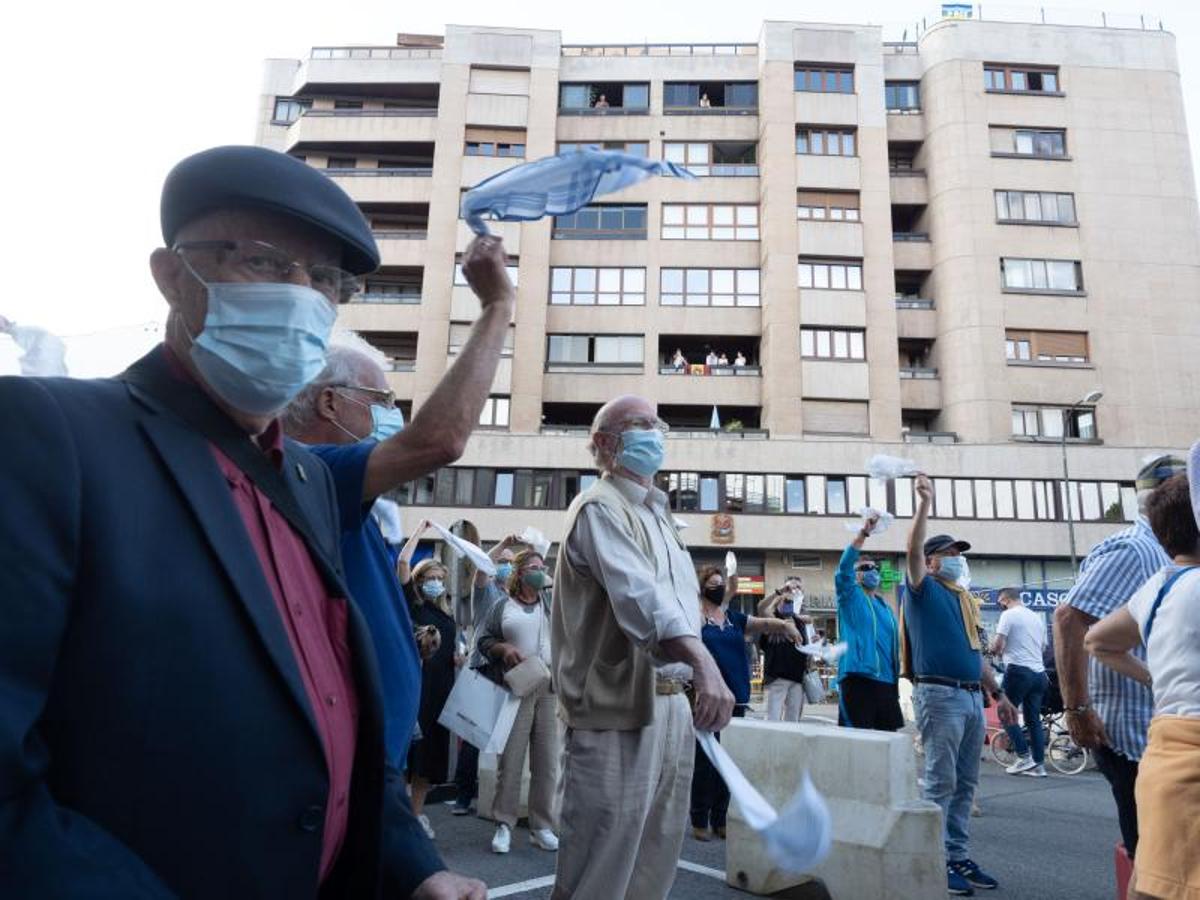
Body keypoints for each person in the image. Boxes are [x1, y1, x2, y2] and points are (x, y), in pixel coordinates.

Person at [0, 145, 483, 899]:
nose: (302, 296)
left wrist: (410, 862)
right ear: (171, 275)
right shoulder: (51, 434)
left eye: (324, 279)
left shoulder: (308, 480)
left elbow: (331, 708)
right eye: (263, 262)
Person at [282, 242, 514, 770]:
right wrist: (498, 306)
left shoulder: (350, 498)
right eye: (383, 402)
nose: (394, 416)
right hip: (343, 767)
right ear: (329, 402)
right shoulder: (312, 468)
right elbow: (440, 441)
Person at [550, 394, 734, 900]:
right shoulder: (598, 509)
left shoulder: (659, 514)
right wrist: (704, 664)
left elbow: (678, 606)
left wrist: (694, 676)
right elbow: (643, 600)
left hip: (670, 707)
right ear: (606, 444)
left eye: (659, 423)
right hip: (617, 711)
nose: (656, 433)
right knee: (602, 865)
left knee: (654, 860)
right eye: (641, 424)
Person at [1054, 454, 1186, 862]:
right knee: (1153, 853)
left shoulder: (1164, 553)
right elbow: (1069, 620)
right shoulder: (1136, 550)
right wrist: (1076, 708)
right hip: (1127, 730)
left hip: (1150, 724)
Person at [1086, 472, 1200, 900]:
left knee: (1151, 878)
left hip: (1163, 756)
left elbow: (1096, 640)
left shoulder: (1157, 587)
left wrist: (1156, 678)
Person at [904, 474, 1017, 897]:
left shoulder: (962, 600)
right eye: (949, 553)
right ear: (932, 561)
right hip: (939, 695)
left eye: (958, 553)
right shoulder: (923, 590)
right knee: (940, 781)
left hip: (969, 697)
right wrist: (924, 504)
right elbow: (912, 550)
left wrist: (998, 694)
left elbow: (975, 656)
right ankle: (932, 861)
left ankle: (956, 855)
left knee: (967, 783)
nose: (957, 558)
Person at [691, 565, 800, 840]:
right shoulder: (694, 619)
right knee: (706, 763)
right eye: (713, 584)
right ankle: (699, 818)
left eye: (721, 583)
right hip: (707, 698)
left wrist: (786, 625)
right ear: (703, 588)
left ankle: (721, 817)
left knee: (730, 761)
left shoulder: (733, 619)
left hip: (737, 698)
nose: (718, 587)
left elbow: (763, 623)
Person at [473, 549, 561, 854]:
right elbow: (483, 641)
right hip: (516, 687)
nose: (541, 571)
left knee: (547, 762)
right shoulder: (502, 606)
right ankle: (504, 824)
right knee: (510, 761)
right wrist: (503, 649)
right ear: (520, 574)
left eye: (543, 567)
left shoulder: (551, 604)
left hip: (549, 687)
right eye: (533, 567)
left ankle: (542, 826)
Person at [452, 534, 527, 815]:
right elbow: (482, 567)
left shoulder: (515, 597)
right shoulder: (485, 591)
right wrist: (504, 544)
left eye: (511, 562)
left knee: (506, 735)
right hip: (483, 666)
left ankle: (495, 795)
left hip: (509, 670)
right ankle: (463, 795)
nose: (506, 566)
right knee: (474, 733)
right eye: (502, 562)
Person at [398, 527, 460, 840]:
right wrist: (421, 531)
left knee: (430, 759)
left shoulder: (445, 613)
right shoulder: (414, 605)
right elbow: (403, 564)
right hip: (417, 688)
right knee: (410, 754)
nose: (436, 582)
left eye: (440, 577)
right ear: (422, 581)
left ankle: (417, 815)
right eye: (430, 577)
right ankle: (398, 816)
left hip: (442, 691)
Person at [835, 516, 904, 731]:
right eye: (864, 567)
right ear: (855, 576)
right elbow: (844, 567)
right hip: (858, 680)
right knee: (860, 745)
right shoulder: (850, 596)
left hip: (887, 683)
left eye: (874, 567)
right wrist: (863, 534)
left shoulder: (885, 607)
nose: (872, 570)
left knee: (887, 742)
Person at [990, 588, 1050, 777]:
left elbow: (998, 645)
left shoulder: (1009, 615)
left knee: (1006, 713)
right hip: (1039, 674)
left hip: (1018, 670)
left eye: (1000, 602)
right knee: (1033, 720)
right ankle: (1039, 765)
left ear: (1005, 600)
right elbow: (1043, 646)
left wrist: (993, 651)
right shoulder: (1036, 617)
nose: (999, 605)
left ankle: (1024, 757)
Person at [757, 577, 813, 722]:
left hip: (797, 678)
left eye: (792, 600)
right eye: (786, 600)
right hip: (777, 677)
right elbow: (761, 607)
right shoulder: (772, 618)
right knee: (773, 719)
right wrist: (781, 591)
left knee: (793, 720)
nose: (790, 601)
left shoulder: (800, 621)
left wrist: (816, 647)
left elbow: (805, 648)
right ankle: (770, 744)